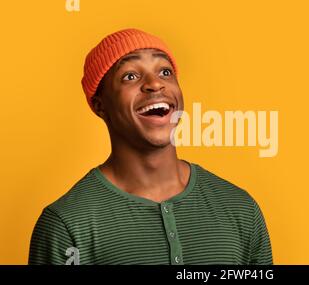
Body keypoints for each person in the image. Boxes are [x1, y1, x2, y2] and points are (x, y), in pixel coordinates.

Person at [29, 28, 272, 265]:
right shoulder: (67, 225)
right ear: (100, 105)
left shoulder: (241, 209)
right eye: (130, 76)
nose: (155, 84)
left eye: (165, 72)